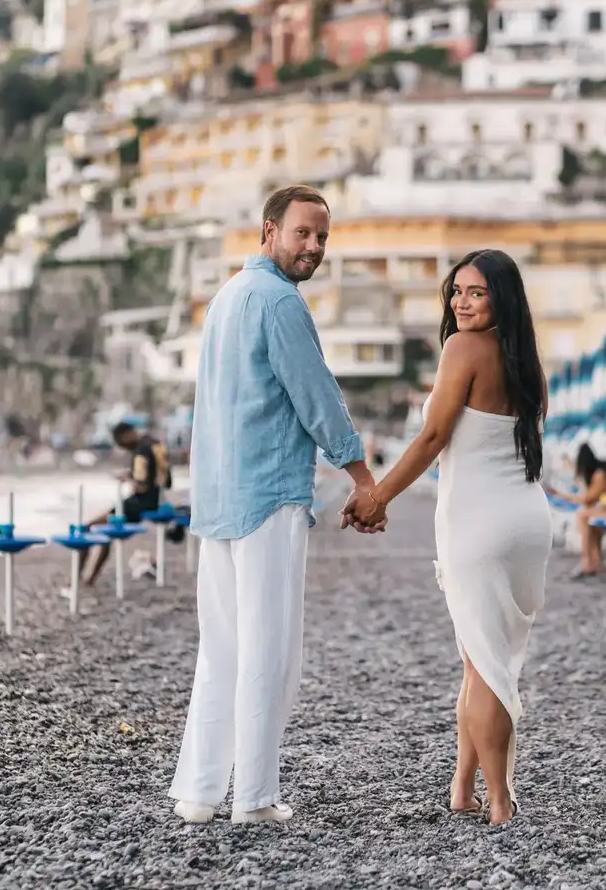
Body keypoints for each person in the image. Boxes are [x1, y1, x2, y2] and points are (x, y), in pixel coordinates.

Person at [169, 184, 386, 827]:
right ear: (270, 231)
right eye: (303, 233)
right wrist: (362, 476)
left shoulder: (226, 298)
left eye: (322, 236)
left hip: (217, 499)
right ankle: (255, 798)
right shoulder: (277, 302)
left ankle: (199, 793)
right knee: (270, 650)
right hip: (267, 497)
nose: (314, 247)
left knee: (222, 650)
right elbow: (316, 398)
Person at [342, 249, 552, 826]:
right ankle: (462, 785)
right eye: (456, 291)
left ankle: (501, 800)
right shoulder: (528, 363)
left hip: (479, 524)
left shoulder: (463, 349)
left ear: (500, 298)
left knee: (487, 666)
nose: (461, 301)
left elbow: (433, 435)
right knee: (481, 661)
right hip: (528, 521)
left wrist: (377, 496)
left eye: (476, 292)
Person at [79, 422, 171, 586]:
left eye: (121, 442)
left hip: (140, 503)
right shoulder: (155, 444)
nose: (123, 447)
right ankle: (89, 578)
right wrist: (132, 474)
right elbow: (163, 478)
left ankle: (80, 576)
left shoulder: (141, 451)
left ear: (127, 434)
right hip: (159, 500)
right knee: (104, 530)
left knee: (89, 527)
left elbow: (141, 486)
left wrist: (127, 479)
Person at [544, 443, 606, 578]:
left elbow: (587, 498)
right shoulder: (600, 473)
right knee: (587, 518)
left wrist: (561, 495)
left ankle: (587, 561)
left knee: (583, 516)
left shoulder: (599, 475)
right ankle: (594, 560)